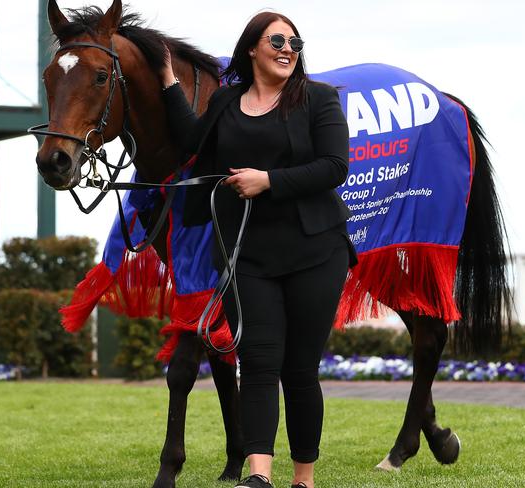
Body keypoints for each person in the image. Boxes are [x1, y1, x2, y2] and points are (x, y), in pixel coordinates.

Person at [159, 11, 356, 488]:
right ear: (252, 49)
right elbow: (191, 141)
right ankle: (259, 477)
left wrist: (268, 181)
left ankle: (303, 479)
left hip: (315, 251)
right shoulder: (227, 102)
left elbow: (335, 167)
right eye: (277, 40)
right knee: (260, 362)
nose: (288, 48)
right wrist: (167, 81)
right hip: (245, 254)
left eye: (294, 41)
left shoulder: (319, 99)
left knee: (299, 368)